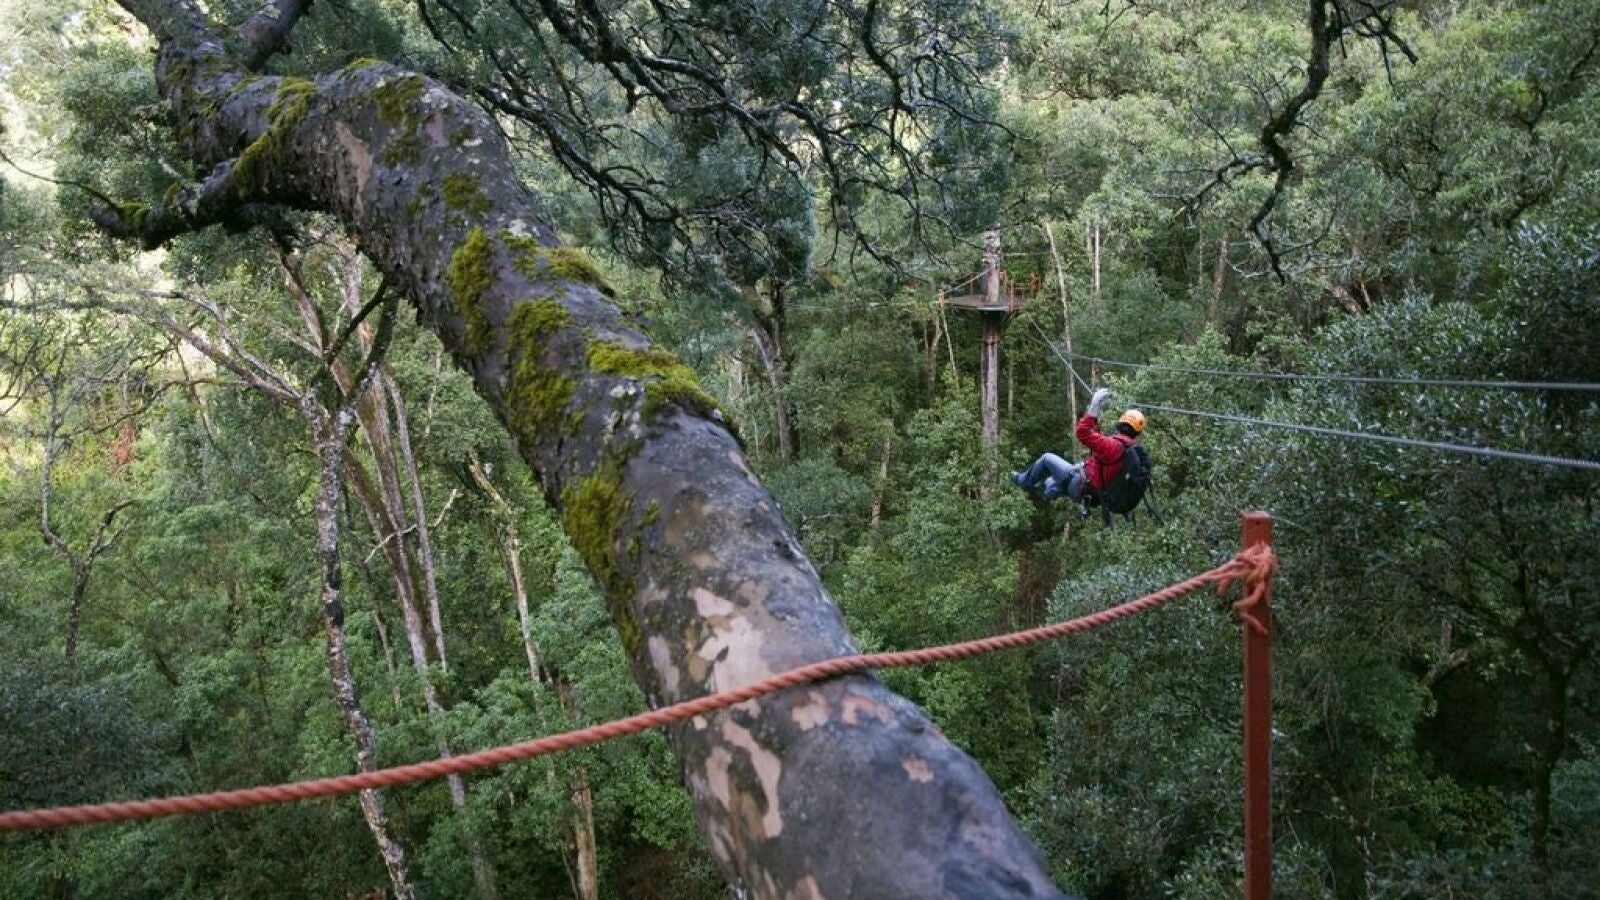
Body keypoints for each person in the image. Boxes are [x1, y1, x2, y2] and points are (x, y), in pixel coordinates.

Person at [1012, 387, 1146, 502]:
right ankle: (1049, 488)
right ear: (1137, 433)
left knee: (1047, 459)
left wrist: (1094, 407)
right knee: (1052, 483)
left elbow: (1083, 433)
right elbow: (1100, 447)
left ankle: (1023, 481)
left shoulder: (1113, 446)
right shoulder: (1129, 448)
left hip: (1081, 485)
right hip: (1094, 492)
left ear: (1120, 424)